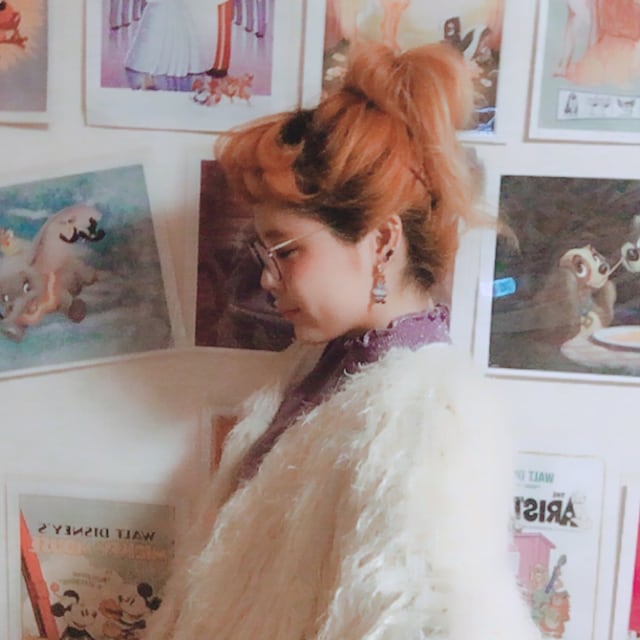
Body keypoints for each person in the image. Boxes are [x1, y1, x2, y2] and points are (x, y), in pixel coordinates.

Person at [146, 40, 542, 639]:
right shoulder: (320, 369)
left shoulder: (429, 416)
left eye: (285, 251)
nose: (266, 279)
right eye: (263, 253)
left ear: (382, 242)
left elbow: (431, 622)